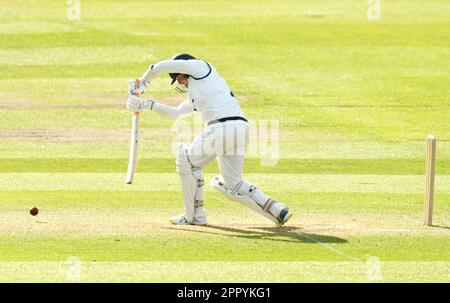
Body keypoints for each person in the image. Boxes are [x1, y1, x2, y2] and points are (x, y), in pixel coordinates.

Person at [127, 53, 293, 226]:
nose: (179, 82)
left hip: (222, 127)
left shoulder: (199, 67)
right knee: (233, 184)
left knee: (186, 161)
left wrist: (142, 82)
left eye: (178, 77)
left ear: (184, 68)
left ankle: (194, 216)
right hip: (240, 128)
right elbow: (177, 113)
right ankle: (277, 210)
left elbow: (158, 67)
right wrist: (148, 105)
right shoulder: (201, 89)